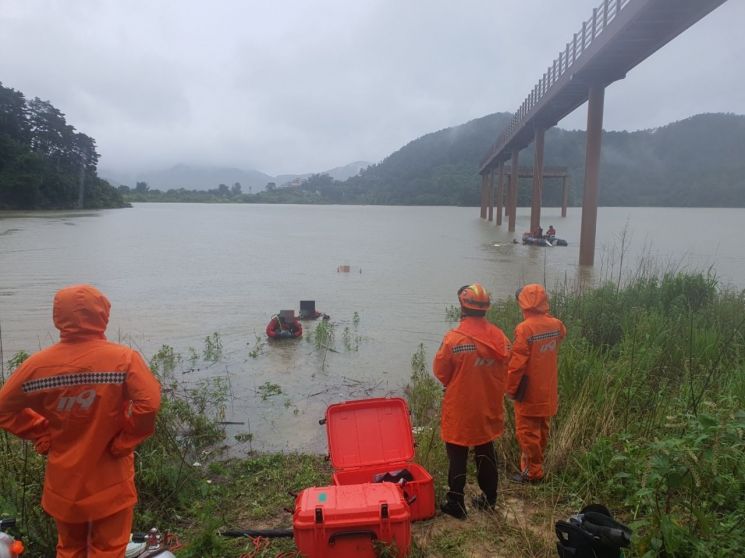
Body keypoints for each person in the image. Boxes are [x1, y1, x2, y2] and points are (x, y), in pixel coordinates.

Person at [0, 284, 162, 557]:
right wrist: (125, 441)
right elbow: (149, 404)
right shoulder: (123, 359)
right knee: (109, 550)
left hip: (64, 485)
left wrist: (42, 432)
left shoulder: (37, 366)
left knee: (70, 549)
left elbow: (4, 408)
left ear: (58, 317)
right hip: (111, 480)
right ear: (102, 314)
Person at [433, 283, 511, 518]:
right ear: (485, 308)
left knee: (457, 454)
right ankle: (489, 498)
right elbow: (507, 365)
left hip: (461, 407)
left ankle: (456, 502)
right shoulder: (500, 337)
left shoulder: (454, 339)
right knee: (486, 450)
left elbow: (441, 373)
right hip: (489, 405)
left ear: (462, 307)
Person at [507, 284, 566, 484]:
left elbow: (517, 365)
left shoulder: (525, 328)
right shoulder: (556, 324)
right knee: (542, 430)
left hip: (529, 391)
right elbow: (561, 336)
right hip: (548, 389)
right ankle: (536, 466)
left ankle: (533, 473)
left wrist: (511, 388)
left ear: (523, 303)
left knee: (527, 433)